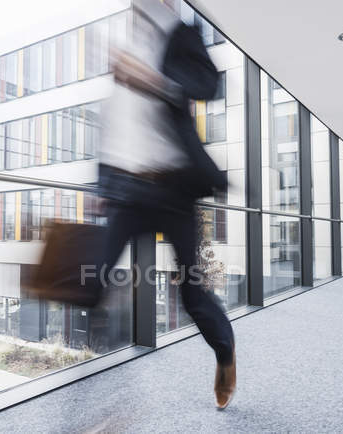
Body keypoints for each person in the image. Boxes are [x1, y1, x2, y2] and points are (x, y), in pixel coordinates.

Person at [97, 0, 236, 409]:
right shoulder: (127, 41)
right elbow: (115, 123)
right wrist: (102, 186)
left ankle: (225, 353)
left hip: (174, 187)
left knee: (192, 294)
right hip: (129, 190)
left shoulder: (180, 32)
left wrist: (153, 82)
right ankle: (104, 403)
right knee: (90, 279)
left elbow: (209, 87)